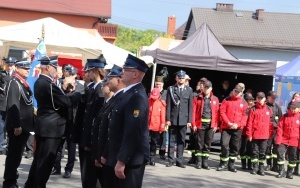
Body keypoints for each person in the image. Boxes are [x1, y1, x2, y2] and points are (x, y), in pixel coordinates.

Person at [24, 55, 81, 188]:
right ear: (48, 67)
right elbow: (66, 102)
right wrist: (77, 93)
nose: (57, 70)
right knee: (45, 163)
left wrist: (66, 91)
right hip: (51, 129)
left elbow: (58, 99)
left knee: (39, 160)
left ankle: (31, 184)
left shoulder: (43, 82)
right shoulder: (47, 83)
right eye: (55, 67)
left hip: (47, 126)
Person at [106, 54, 150, 187]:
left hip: (130, 160)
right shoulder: (128, 93)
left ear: (135, 74)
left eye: (125, 70)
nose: (121, 73)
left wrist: (122, 160)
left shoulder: (137, 96)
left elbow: (132, 131)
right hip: (121, 156)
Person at [2, 58, 34, 188]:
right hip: (18, 126)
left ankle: (12, 177)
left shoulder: (22, 83)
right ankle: (9, 181)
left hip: (24, 126)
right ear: (17, 68)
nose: (27, 70)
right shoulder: (14, 82)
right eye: (25, 68)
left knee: (17, 155)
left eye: (28, 68)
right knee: (13, 156)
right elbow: (13, 105)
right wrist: (16, 125)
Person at [93, 64, 125, 188]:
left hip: (112, 155)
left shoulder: (121, 100)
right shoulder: (113, 101)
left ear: (118, 80)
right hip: (105, 153)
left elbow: (114, 132)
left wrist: (104, 154)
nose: (105, 82)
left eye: (109, 79)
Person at [78, 55, 106, 188]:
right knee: (86, 175)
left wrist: (89, 141)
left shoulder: (100, 90)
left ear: (95, 71)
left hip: (91, 141)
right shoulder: (94, 88)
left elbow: (97, 120)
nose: (87, 74)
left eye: (89, 71)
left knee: (91, 176)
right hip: (86, 138)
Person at [165, 70, 193, 168]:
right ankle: (171, 160)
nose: (181, 79)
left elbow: (190, 106)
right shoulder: (171, 89)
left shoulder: (189, 90)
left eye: (182, 78)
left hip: (183, 120)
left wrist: (189, 120)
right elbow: (168, 105)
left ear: (185, 79)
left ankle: (179, 160)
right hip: (173, 119)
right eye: (179, 78)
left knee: (181, 140)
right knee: (172, 140)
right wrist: (168, 119)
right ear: (176, 78)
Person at [217, 84, 248, 172]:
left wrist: (237, 125)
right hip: (227, 127)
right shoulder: (226, 100)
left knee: (235, 146)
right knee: (224, 144)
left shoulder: (244, 103)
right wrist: (228, 122)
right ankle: (223, 163)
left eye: (238, 92)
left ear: (241, 93)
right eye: (235, 91)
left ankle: (231, 164)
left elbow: (245, 116)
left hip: (238, 128)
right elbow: (222, 112)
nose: (236, 93)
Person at [191, 80, 219, 170]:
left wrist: (216, 125)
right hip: (200, 124)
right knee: (199, 144)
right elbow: (193, 112)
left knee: (207, 144)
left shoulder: (215, 99)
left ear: (211, 89)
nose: (206, 89)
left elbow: (217, 113)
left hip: (210, 125)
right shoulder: (197, 98)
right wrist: (193, 124)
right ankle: (199, 162)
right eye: (205, 87)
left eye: (208, 88)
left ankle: (205, 162)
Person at [246, 92, 273, 176]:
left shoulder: (268, 109)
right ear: (256, 99)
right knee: (255, 152)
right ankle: (255, 167)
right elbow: (249, 123)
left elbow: (271, 124)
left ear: (265, 99)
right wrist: (249, 134)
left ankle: (261, 168)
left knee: (262, 152)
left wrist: (270, 134)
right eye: (258, 98)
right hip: (255, 135)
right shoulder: (253, 109)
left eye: (261, 98)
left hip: (265, 135)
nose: (260, 99)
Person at [275, 98, 300, 179]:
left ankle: (289, 172)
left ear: (298, 109)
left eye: (294, 108)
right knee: (280, 153)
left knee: (293, 157)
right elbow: (280, 128)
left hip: (294, 140)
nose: (292, 109)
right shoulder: (284, 116)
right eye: (291, 108)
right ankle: (281, 171)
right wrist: (278, 140)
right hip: (284, 139)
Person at [0, 57, 17, 155]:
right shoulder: (2, 75)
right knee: (1, 126)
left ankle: (10, 146)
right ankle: (1, 146)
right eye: (8, 65)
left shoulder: (17, 76)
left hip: (12, 104)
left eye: (11, 65)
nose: (9, 67)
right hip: (2, 104)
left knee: (11, 126)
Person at [189, 77, 207, 164]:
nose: (202, 86)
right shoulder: (194, 95)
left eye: (204, 84)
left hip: (202, 123)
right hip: (194, 122)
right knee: (193, 140)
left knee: (200, 141)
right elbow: (191, 109)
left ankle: (199, 159)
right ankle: (193, 157)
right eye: (201, 84)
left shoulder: (206, 96)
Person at [148, 87, 166, 166]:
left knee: (154, 143)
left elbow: (163, 117)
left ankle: (152, 158)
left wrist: (162, 127)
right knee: (146, 142)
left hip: (156, 126)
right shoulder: (148, 101)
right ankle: (146, 158)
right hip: (147, 125)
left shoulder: (161, 103)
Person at [265, 91, 282, 172]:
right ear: (268, 97)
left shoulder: (277, 106)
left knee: (276, 148)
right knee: (267, 148)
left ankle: (275, 166)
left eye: (275, 98)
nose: (274, 99)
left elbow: (281, 119)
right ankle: (268, 164)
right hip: (267, 130)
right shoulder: (264, 106)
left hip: (275, 130)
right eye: (272, 98)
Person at [240, 93, 255, 170]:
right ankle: (243, 164)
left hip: (251, 132)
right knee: (243, 148)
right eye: (249, 99)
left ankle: (250, 164)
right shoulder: (242, 107)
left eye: (252, 99)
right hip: (242, 131)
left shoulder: (254, 108)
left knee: (250, 148)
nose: (251, 101)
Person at [154, 75, 167, 159]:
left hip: (163, 117)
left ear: (163, 84)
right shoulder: (152, 92)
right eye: (157, 84)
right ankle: (152, 152)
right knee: (154, 137)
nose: (158, 86)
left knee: (164, 136)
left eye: (160, 84)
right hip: (155, 118)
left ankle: (162, 153)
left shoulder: (166, 93)